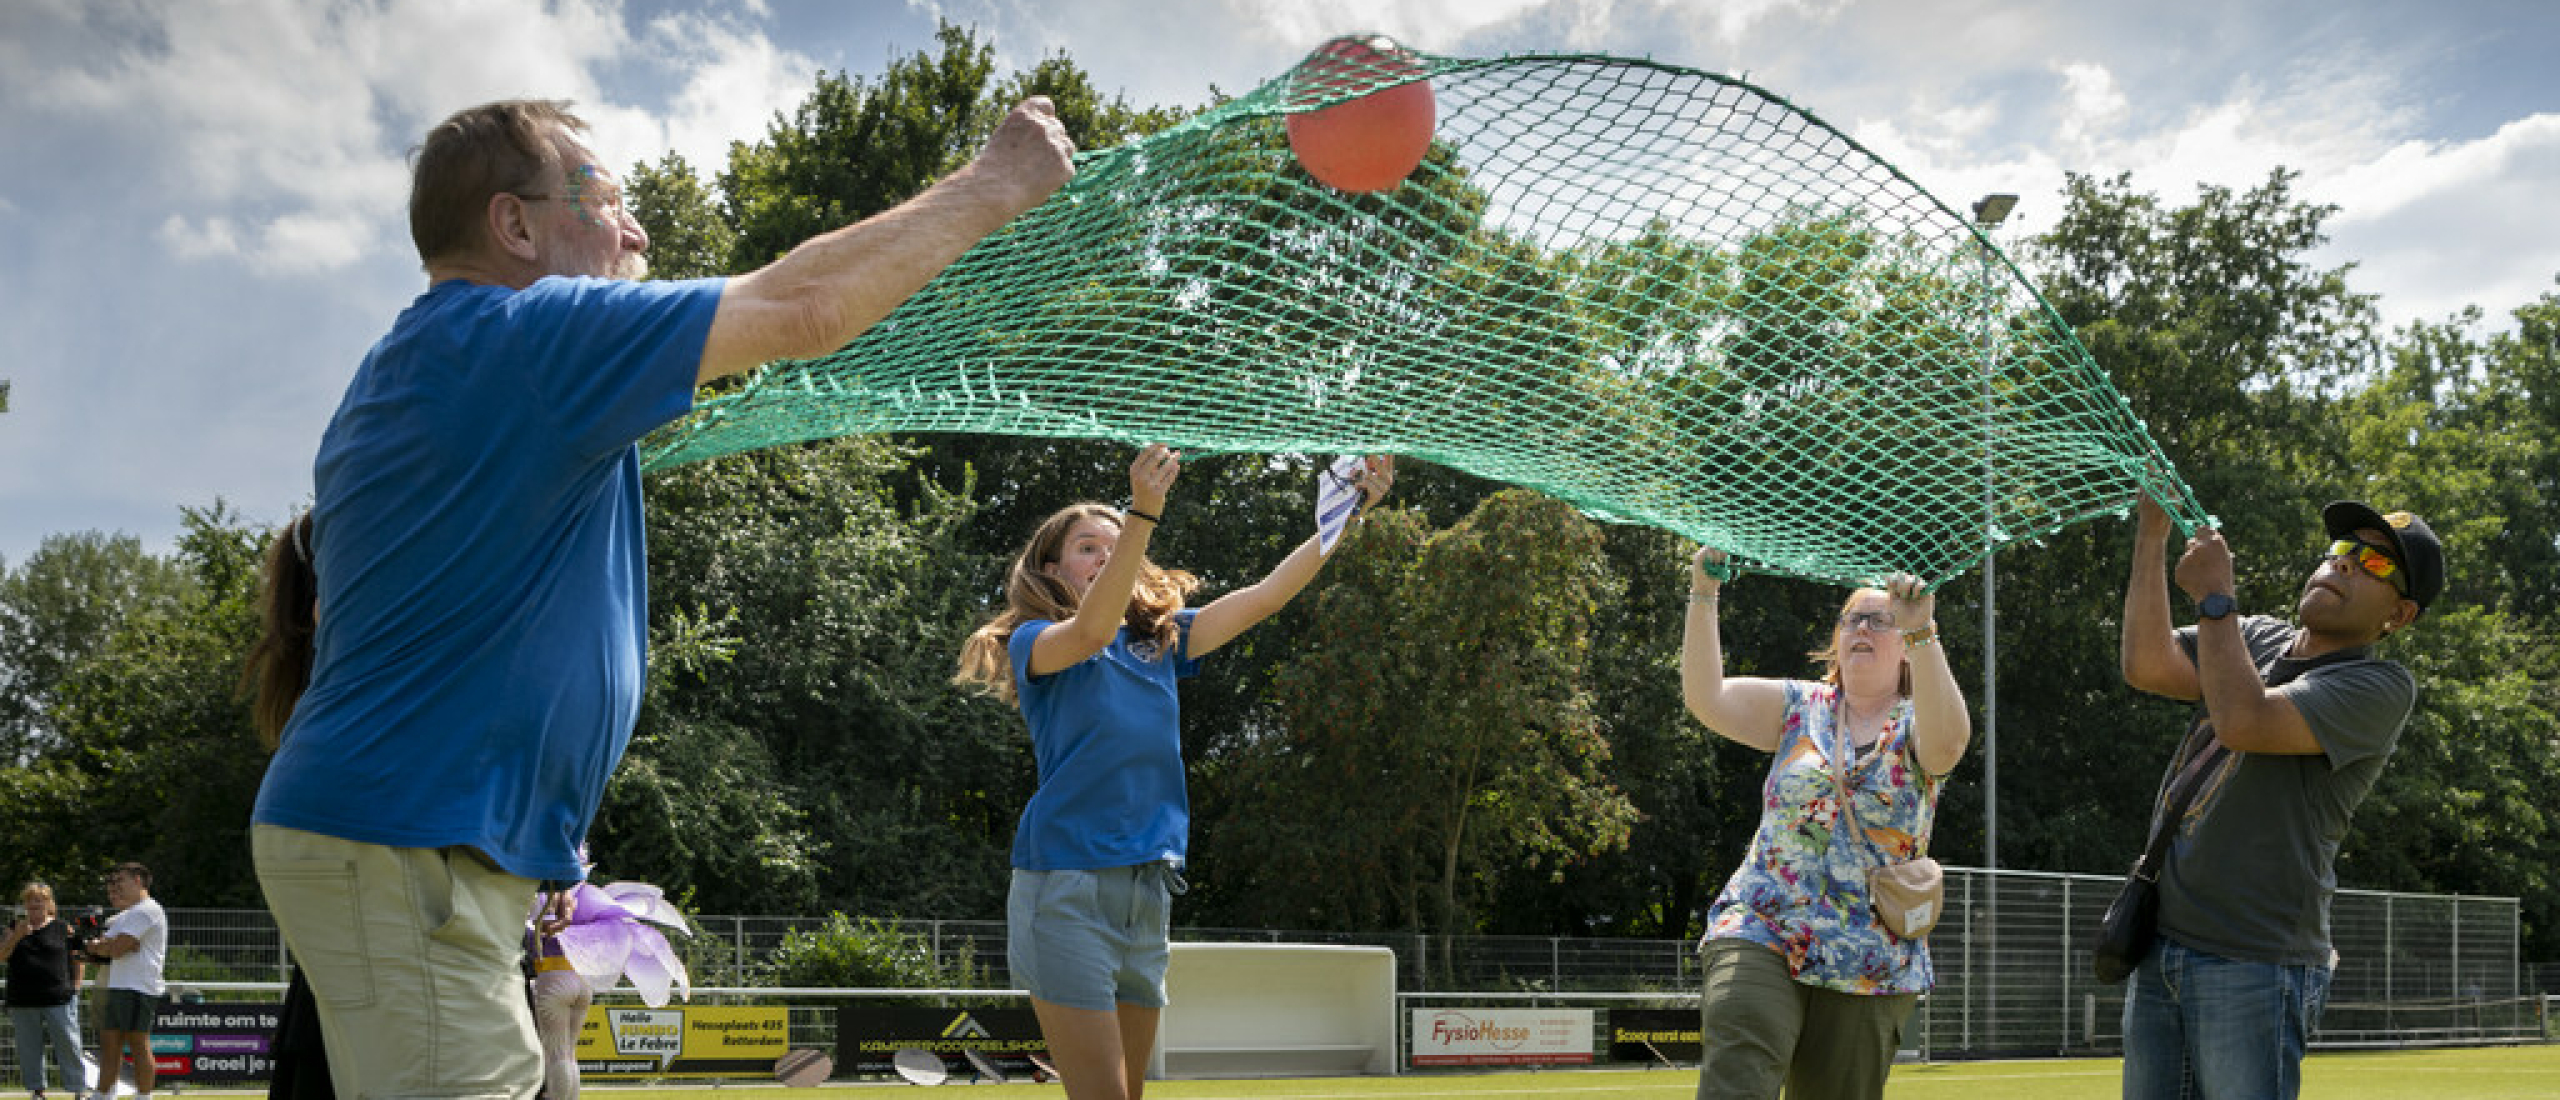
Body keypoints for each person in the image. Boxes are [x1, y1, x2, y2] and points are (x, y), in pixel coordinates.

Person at [247, 96, 1074, 1097]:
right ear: (514, 225)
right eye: (606, 203)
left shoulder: (422, 362)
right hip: (409, 847)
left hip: (399, 840)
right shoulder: (530, 333)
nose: (638, 232)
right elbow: (806, 306)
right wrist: (996, 182)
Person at [953, 445, 1392, 1100]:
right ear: (1051, 570)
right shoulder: (1037, 641)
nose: (1105, 555)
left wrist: (1346, 511)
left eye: (1115, 545)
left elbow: (1267, 597)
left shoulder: (1160, 642)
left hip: (1148, 891)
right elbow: (1094, 629)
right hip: (1065, 891)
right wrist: (1142, 513)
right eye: (1086, 548)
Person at [2116, 498, 2444, 1100]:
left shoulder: (2378, 686)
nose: (2345, 564)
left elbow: (2244, 720)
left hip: (2256, 965)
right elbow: (2145, 663)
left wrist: (2216, 599)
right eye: (2343, 550)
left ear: (2398, 615)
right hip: (2161, 945)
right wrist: (2151, 534)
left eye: (2373, 561)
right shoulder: (2257, 636)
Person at [1678, 549, 1971, 1100]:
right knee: (1739, 1068)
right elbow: (1707, 697)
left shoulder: (1919, 720)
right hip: (1762, 922)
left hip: (1869, 955)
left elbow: (1950, 744)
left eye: (1880, 619)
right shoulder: (1798, 706)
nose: (1862, 626)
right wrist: (1703, 593)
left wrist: (1924, 630)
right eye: (1852, 618)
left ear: (1905, 648)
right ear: (1837, 639)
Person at [82, 864, 165, 1100]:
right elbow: (98, 949)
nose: (116, 885)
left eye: (121, 880)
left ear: (137, 880)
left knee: (138, 1044)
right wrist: (108, 946)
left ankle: (144, 1096)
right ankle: (103, 1094)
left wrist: (111, 946)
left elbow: (115, 949)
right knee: (110, 1045)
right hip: (117, 986)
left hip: (138, 986)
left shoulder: (147, 910)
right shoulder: (124, 916)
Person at [4, 881, 86, 1100]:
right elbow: (2, 956)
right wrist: (16, 936)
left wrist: (76, 987)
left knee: (69, 1044)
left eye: (38, 900)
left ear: (49, 904)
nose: (33, 905)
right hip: (22, 999)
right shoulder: (13, 928)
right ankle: (37, 1091)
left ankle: (78, 1089)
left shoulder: (63, 927)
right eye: (29, 901)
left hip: (59, 997)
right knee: (29, 1047)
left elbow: (78, 958)